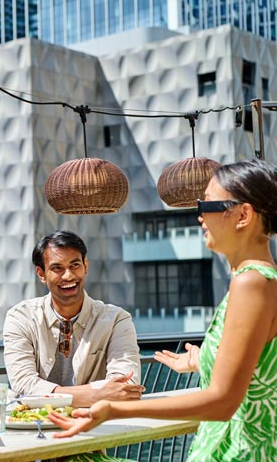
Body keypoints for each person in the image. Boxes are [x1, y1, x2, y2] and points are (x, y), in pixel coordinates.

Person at [48, 159, 277, 462]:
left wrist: (113, 409)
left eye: (206, 205)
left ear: (243, 215)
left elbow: (223, 402)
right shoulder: (258, 280)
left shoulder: (252, 283)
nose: (199, 217)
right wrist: (203, 361)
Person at [3, 230, 143, 408]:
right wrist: (94, 395)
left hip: (97, 425)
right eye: (57, 268)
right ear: (41, 273)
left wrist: (49, 395)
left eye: (74, 265)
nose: (68, 275)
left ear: (86, 265)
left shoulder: (117, 319)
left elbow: (125, 385)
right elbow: (24, 384)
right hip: (35, 424)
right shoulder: (21, 317)